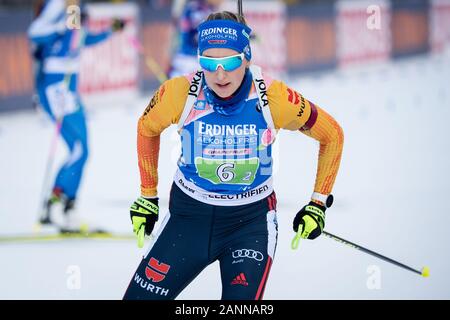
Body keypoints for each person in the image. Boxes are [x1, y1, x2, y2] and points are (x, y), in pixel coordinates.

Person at [123, 10, 344, 300]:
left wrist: (318, 203)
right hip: (188, 218)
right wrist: (148, 195)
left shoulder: (273, 99)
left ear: (247, 57)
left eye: (229, 61)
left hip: (249, 224)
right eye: (209, 63)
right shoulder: (179, 93)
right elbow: (146, 128)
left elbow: (332, 135)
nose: (220, 74)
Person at [28, 0, 124, 232]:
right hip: (55, 85)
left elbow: (79, 39)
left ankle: (64, 206)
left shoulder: (72, 9)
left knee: (82, 150)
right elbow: (35, 33)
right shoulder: (58, 5)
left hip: (68, 87)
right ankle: (59, 205)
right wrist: (62, 25)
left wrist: (109, 30)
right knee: (79, 149)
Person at [168, 0, 224, 78]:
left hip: (189, 59)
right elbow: (201, 37)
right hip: (190, 60)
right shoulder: (198, 10)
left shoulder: (206, 9)